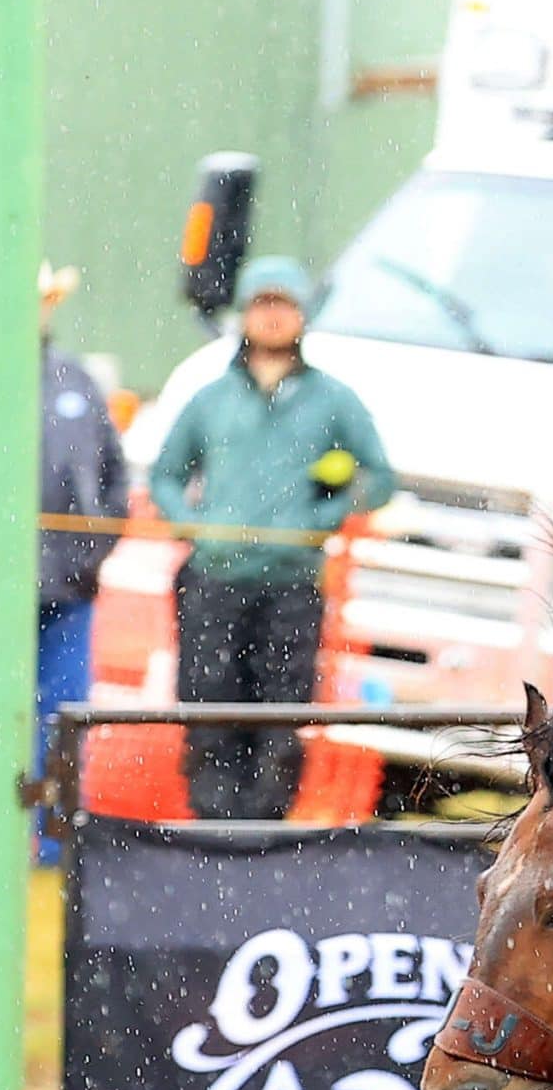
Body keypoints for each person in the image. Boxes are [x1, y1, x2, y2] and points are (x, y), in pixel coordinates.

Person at [146, 255, 393, 821]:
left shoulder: (333, 400)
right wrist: (192, 524)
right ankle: (211, 834)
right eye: (262, 303)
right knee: (207, 710)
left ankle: (264, 836)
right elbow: (165, 475)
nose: (273, 316)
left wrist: (324, 516)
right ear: (244, 313)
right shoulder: (211, 399)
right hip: (213, 582)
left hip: (291, 586)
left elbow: (379, 477)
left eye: (285, 304)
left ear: (304, 315)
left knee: (281, 718)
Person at [34, 261, 127, 860]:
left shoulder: (75, 380)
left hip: (67, 589)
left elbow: (113, 477)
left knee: (62, 718)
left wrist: (91, 550)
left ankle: (52, 847)